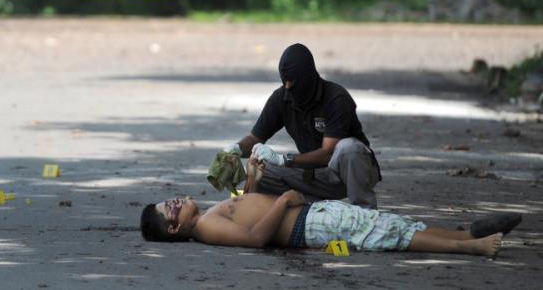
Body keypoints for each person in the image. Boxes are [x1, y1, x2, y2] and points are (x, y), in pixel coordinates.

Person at [140, 158, 522, 257]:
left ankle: (466, 232)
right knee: (385, 234)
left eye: (168, 199)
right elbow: (256, 238)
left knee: (388, 223)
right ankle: (469, 247)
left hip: (313, 216)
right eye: (168, 209)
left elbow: (246, 209)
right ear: (175, 229)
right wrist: (287, 200)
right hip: (309, 225)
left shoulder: (209, 215)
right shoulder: (205, 229)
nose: (173, 201)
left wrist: (252, 181)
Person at [223, 43, 381, 208]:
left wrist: (283, 159)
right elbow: (255, 137)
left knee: (348, 148)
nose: (288, 87)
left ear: (309, 77)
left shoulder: (336, 98)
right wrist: (236, 149)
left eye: (293, 83)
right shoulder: (282, 97)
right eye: (285, 82)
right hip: (314, 175)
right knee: (260, 171)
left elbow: (328, 153)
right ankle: (296, 211)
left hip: (347, 174)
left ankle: (366, 213)